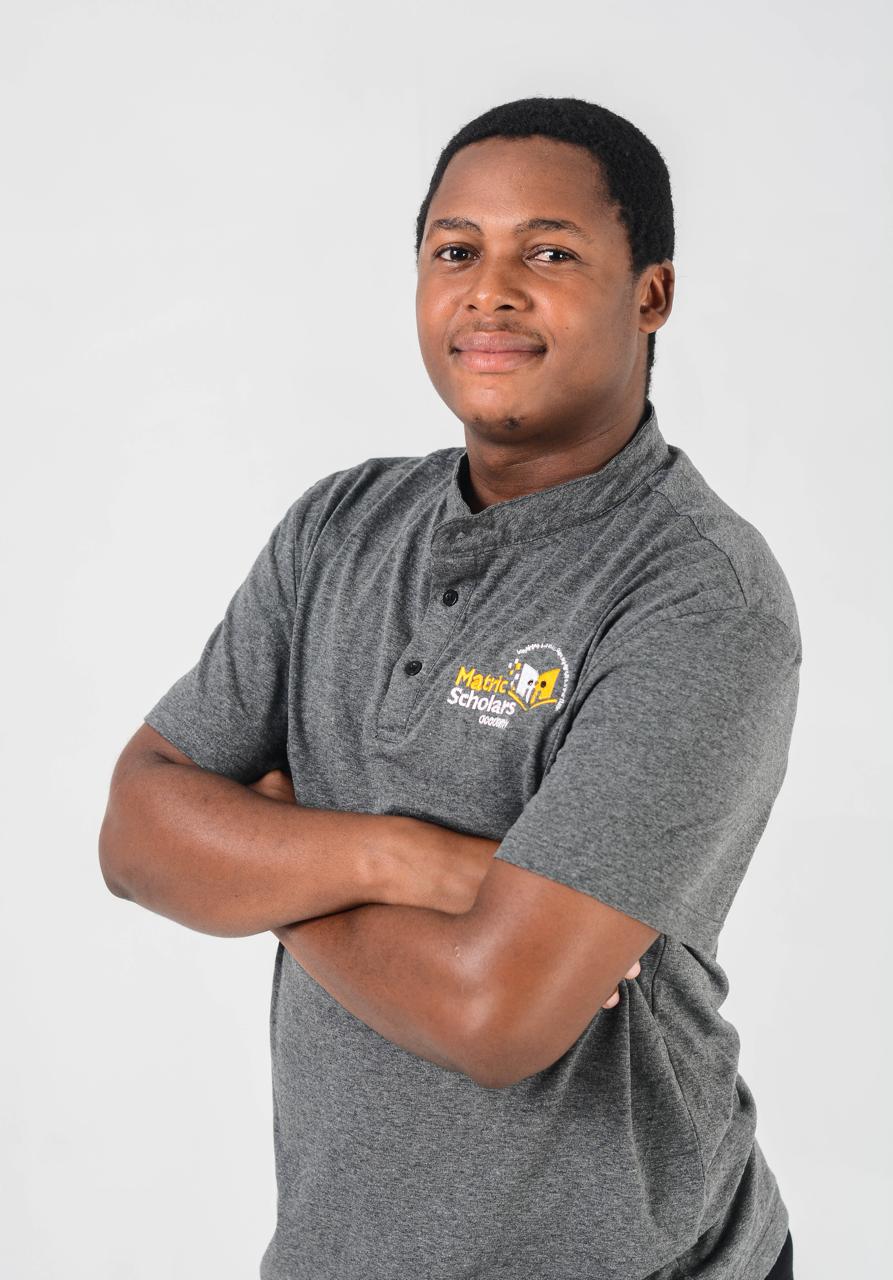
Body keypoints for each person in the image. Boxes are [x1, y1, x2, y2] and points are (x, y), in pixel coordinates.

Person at [99, 96, 799, 1280]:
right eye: (455, 250)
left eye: (549, 253)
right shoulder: (338, 527)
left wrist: (262, 862)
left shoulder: (697, 598)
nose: (490, 291)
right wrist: (405, 858)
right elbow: (134, 834)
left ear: (651, 295)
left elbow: (495, 1016)